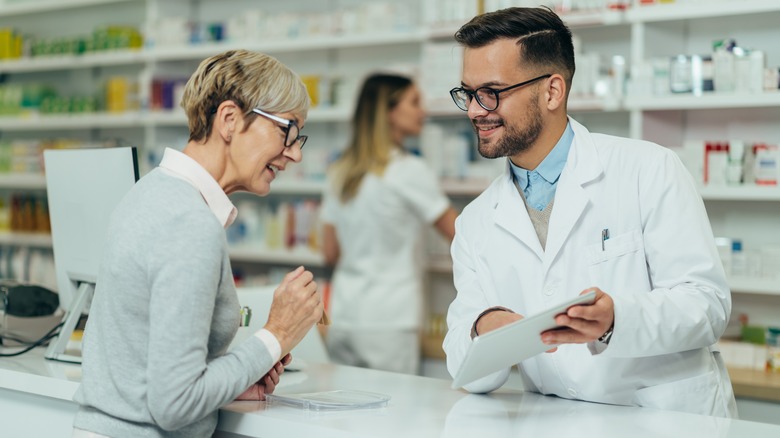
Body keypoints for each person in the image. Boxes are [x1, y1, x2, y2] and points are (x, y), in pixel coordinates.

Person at [443, 7, 737, 418]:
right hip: (560, 422)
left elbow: (707, 306)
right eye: (468, 93)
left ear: (552, 91)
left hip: (665, 420)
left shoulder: (648, 169)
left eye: (491, 92)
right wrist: (484, 328)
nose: (475, 110)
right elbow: (466, 372)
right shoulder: (475, 221)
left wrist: (616, 318)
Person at [72, 50, 324, 437]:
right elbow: (174, 404)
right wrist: (277, 335)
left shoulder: (150, 192)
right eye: (287, 129)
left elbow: (148, 368)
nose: (296, 152)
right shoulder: (190, 223)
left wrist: (228, 384)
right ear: (229, 119)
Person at [321, 73, 458, 375]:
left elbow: (329, 252)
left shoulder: (340, 171)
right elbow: (460, 235)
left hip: (344, 316)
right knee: (391, 417)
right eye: (414, 102)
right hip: (389, 322)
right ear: (389, 112)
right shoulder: (408, 170)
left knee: (342, 415)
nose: (423, 111)